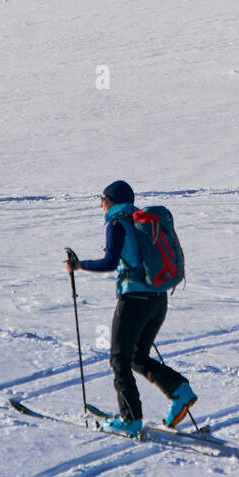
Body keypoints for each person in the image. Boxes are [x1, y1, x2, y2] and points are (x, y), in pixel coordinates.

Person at [66, 180, 197, 436]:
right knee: (137, 356)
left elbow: (109, 262)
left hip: (135, 301)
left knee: (119, 358)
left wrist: (80, 266)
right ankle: (180, 390)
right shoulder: (141, 223)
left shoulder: (117, 223)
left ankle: (131, 419)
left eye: (102, 199)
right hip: (158, 300)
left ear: (111, 201)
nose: (101, 204)